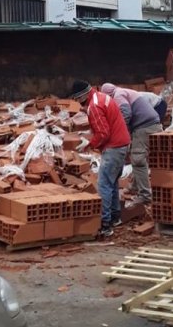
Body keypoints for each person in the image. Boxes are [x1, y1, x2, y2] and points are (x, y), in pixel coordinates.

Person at [70, 80, 131, 237]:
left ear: (82, 96)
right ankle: (115, 217)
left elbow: (103, 133)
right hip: (122, 143)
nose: (77, 103)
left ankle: (105, 225)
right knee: (112, 183)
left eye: (77, 99)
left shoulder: (94, 106)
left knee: (104, 184)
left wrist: (89, 144)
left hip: (114, 147)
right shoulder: (102, 97)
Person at [101, 83, 163, 206]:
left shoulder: (118, 95)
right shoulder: (123, 91)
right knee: (137, 156)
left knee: (138, 159)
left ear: (108, 95)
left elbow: (126, 112)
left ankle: (145, 195)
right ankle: (134, 186)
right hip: (150, 125)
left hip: (144, 126)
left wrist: (120, 131)